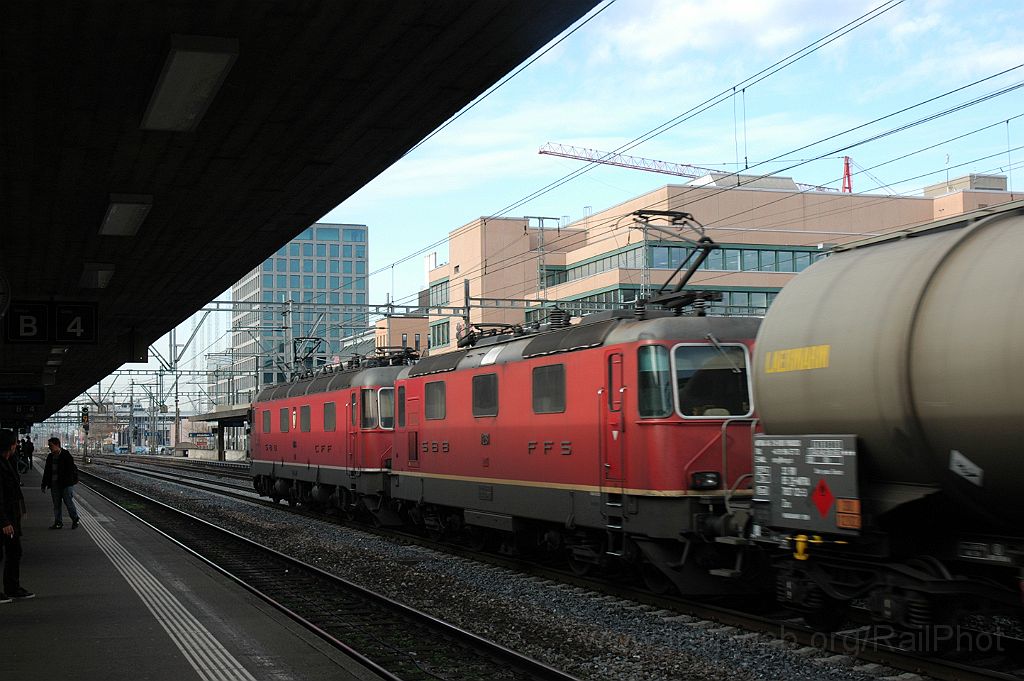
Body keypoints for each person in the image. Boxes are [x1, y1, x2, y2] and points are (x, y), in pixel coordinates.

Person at [0, 428, 33, 601]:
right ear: (10, 446)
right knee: (9, 553)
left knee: (14, 552)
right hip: (4, 519)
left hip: (11, 516)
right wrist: (4, 521)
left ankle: (12, 588)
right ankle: (11, 588)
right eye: (14, 444)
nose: (16, 446)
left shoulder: (7, 461)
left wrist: (21, 509)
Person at [42, 437, 80, 530]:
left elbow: (71, 470)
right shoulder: (50, 457)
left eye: (51, 446)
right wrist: (44, 484)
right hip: (54, 485)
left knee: (69, 503)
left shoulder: (66, 455)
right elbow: (47, 471)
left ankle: (75, 519)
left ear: (57, 445)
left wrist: (70, 481)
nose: (50, 448)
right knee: (56, 505)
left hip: (66, 485)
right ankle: (58, 522)